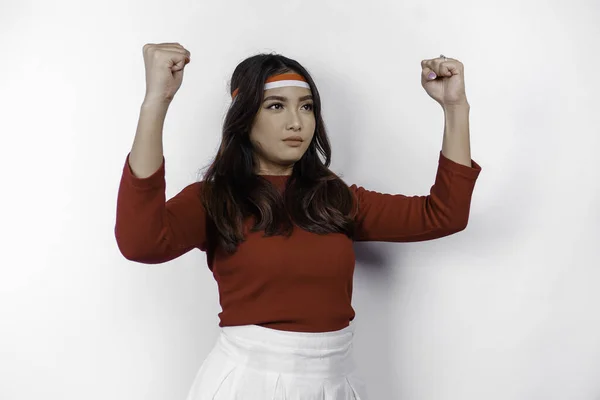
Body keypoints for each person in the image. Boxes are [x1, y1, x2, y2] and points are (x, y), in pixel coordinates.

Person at [115, 42, 482, 400]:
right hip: (246, 384)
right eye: (276, 106)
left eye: (306, 107)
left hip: (337, 382)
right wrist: (156, 103)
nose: (296, 122)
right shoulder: (214, 198)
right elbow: (141, 242)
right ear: (244, 118)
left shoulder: (337, 199)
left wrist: (455, 107)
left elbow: (443, 214)